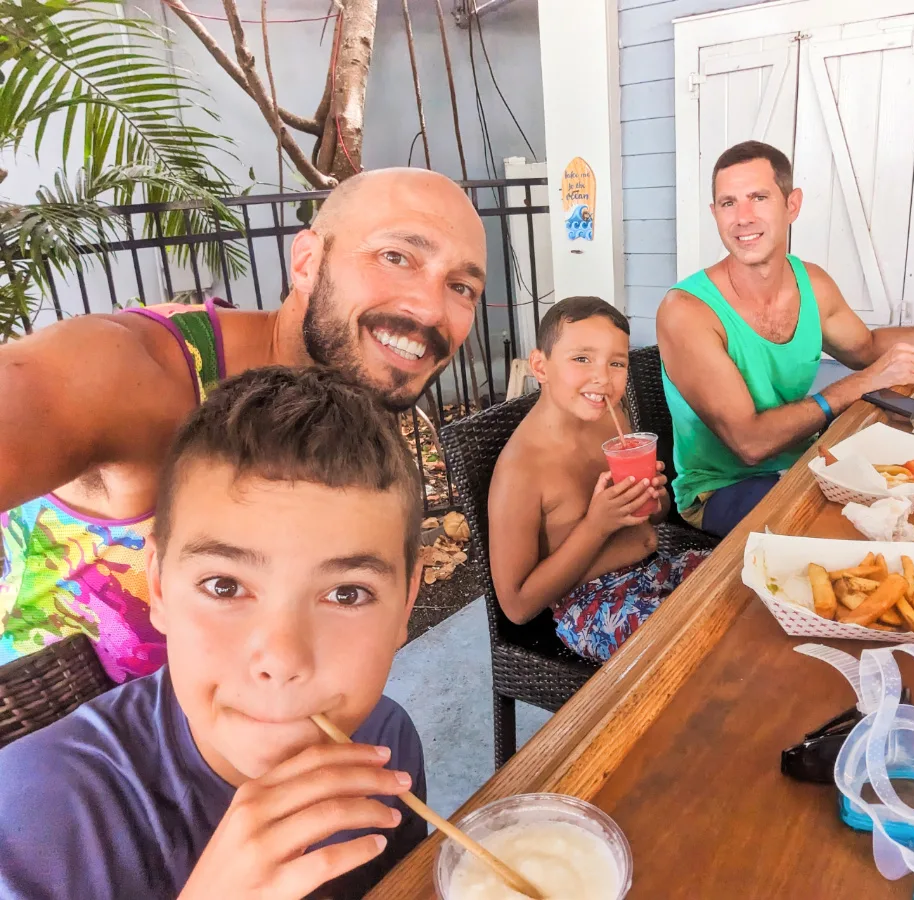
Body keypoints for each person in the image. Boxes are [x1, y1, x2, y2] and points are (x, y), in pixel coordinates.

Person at [0, 167, 487, 683]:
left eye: (460, 287)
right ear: (307, 262)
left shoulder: (355, 406)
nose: (432, 309)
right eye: (396, 257)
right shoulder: (128, 372)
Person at [0, 367, 428, 900]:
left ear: (406, 602)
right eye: (225, 586)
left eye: (347, 594)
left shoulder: (387, 743)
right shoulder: (28, 826)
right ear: (157, 585)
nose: (281, 658)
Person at [657, 140, 914, 536]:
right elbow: (749, 443)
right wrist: (862, 384)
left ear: (792, 205)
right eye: (728, 203)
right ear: (715, 214)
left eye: (758, 197)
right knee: (860, 533)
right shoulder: (687, 310)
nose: (742, 217)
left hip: (808, 461)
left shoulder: (812, 283)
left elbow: (865, 349)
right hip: (721, 490)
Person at [489, 297, 709, 663]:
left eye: (616, 363)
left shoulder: (611, 418)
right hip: (589, 606)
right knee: (697, 639)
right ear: (540, 366)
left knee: (745, 577)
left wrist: (654, 499)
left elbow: (651, 520)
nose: (602, 378)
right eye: (581, 359)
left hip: (652, 567)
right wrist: (596, 526)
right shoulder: (522, 470)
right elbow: (517, 605)